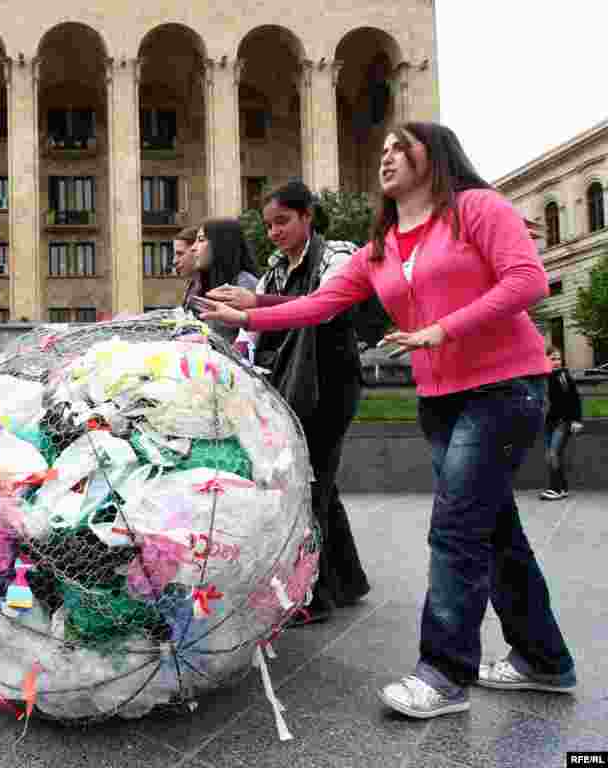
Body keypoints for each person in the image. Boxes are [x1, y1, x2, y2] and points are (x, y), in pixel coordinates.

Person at [194, 121, 576, 719]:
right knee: (494, 529)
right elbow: (320, 303)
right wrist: (253, 312)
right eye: (384, 150)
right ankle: (543, 659)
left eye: (402, 146)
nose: (388, 157)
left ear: (437, 155)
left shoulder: (476, 208)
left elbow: (526, 279)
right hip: (441, 397)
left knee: (455, 528)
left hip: (503, 388)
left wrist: (442, 329)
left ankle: (443, 673)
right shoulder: (385, 242)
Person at [207, 181, 370, 623]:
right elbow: (255, 332)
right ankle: (348, 580)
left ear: (308, 216)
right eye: (269, 225)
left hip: (333, 384)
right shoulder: (276, 268)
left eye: (283, 221)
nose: (274, 232)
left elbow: (327, 306)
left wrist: (255, 303)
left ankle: (310, 596)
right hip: (294, 383)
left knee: (309, 480)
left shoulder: (338, 253)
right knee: (321, 479)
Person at [182, 218, 260, 345]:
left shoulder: (245, 283)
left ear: (221, 244)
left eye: (201, 240)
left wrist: (207, 341)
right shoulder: (206, 284)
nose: (193, 248)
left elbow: (248, 344)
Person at [541, 345, 582, 501]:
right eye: (553, 359)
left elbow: (574, 398)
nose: (557, 362)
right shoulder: (544, 377)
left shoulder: (562, 375)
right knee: (552, 455)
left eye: (558, 358)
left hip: (563, 422)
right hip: (550, 422)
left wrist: (576, 420)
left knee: (553, 454)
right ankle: (562, 488)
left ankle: (555, 489)